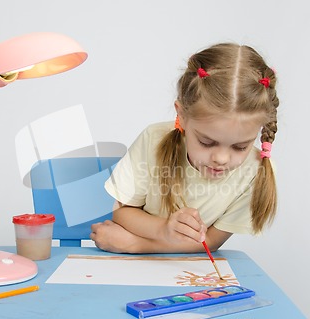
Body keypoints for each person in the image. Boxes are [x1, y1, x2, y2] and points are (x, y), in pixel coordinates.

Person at [90, 43, 279, 254]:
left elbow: (211, 241)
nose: (222, 158)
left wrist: (136, 245)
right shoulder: (153, 140)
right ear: (181, 115)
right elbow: (123, 212)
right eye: (207, 142)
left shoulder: (256, 171)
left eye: (240, 147)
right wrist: (163, 229)